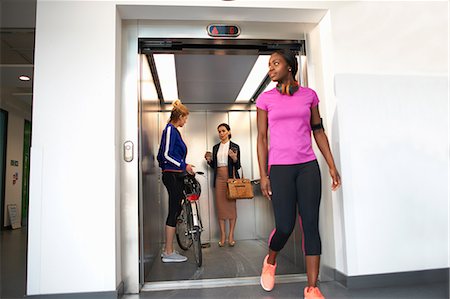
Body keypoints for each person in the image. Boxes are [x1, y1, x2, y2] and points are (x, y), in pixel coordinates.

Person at [256, 50, 341, 299]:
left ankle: (312, 288)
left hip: (307, 167)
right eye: (269, 64)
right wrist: (263, 174)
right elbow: (262, 138)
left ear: (290, 67)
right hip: (280, 169)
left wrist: (331, 165)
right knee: (284, 225)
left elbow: (318, 130)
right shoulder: (265, 99)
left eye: (275, 63)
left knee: (311, 225)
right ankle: (271, 261)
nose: (271, 68)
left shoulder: (309, 96)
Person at [157, 100, 194, 263]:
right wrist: (183, 165)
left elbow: (165, 156)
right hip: (172, 175)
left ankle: (168, 249)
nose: (185, 121)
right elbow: (165, 155)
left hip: (174, 174)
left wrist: (183, 166)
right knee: (173, 210)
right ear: (179, 116)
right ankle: (169, 251)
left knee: (175, 209)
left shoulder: (173, 131)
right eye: (185, 118)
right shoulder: (170, 130)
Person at [204, 123, 241, 247]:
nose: (221, 133)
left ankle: (231, 235)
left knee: (231, 206)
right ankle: (223, 235)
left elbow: (238, 165)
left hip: (230, 178)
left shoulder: (235, 146)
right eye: (219, 131)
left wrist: (234, 158)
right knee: (220, 207)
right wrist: (209, 161)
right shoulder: (215, 148)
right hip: (219, 178)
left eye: (223, 131)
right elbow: (214, 166)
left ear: (229, 132)